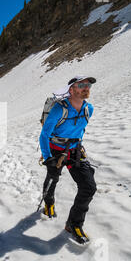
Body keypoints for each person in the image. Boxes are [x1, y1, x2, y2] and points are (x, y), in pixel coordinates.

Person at [39, 76, 97, 244]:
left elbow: (79, 129)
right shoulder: (59, 109)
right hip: (56, 150)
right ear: (71, 90)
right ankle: (49, 203)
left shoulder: (89, 109)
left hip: (75, 151)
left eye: (88, 85)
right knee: (52, 178)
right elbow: (44, 135)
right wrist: (48, 157)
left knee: (89, 187)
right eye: (82, 85)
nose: (86, 87)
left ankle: (73, 224)